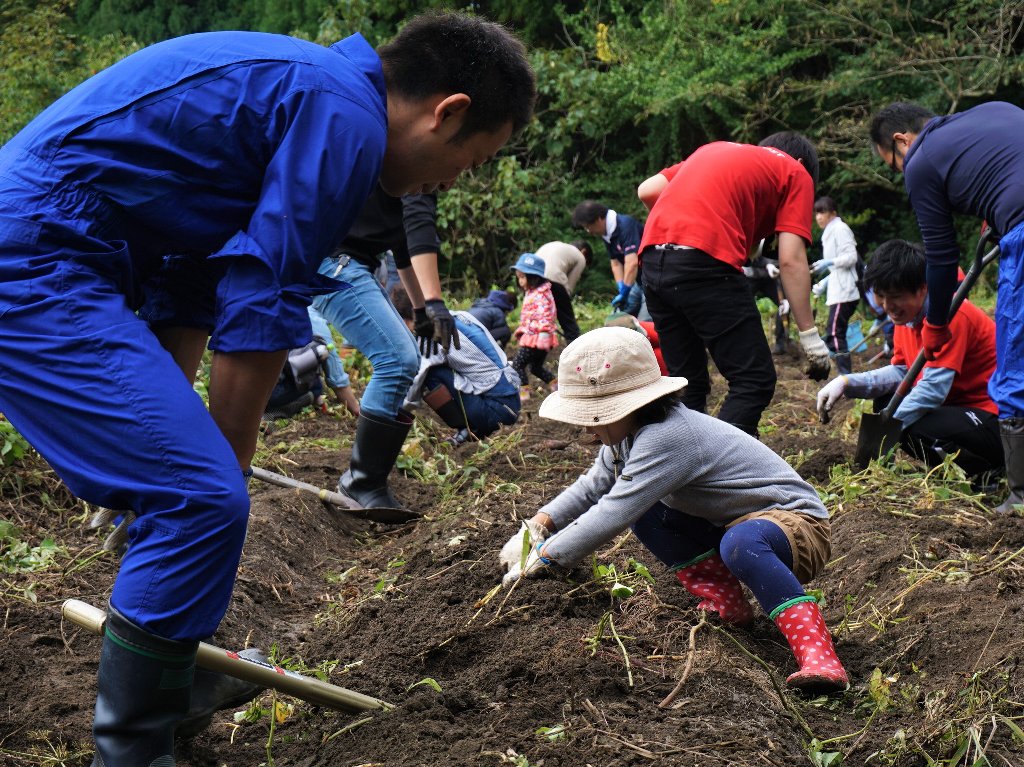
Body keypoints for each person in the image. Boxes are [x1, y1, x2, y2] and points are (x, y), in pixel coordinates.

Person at [0, 12, 535, 765]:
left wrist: (191, 442)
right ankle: (133, 748)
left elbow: (190, 280)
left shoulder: (309, 89)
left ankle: (172, 681)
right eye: (469, 162)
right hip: (37, 255)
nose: (448, 184)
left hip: (58, 250)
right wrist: (224, 466)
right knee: (203, 496)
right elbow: (262, 291)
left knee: (197, 488)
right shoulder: (344, 115)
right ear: (447, 111)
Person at [500, 327, 849, 694]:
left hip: (796, 526)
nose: (588, 426)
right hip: (734, 525)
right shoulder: (626, 436)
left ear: (632, 405)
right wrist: (538, 525)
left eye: (596, 415)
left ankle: (819, 655)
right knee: (651, 515)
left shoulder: (668, 436)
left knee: (738, 542)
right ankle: (727, 604)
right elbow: (593, 486)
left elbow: (612, 510)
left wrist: (546, 557)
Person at [868, 101, 1024, 513]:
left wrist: (936, 322)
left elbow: (940, 255)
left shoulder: (920, 161)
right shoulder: (995, 110)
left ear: (902, 140)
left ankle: (1020, 494)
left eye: (893, 163)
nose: (902, 172)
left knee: (1014, 368)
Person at [636, 132, 832, 437]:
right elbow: (791, 260)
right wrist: (810, 338)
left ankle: (681, 469)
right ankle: (723, 471)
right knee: (753, 380)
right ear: (802, 163)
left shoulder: (715, 150)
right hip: (705, 263)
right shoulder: (796, 172)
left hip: (653, 261)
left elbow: (647, 190)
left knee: (688, 383)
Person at [816, 240, 1003, 483]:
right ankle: (947, 470)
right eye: (881, 296)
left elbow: (933, 389)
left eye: (895, 297)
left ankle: (988, 472)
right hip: (956, 407)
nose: (887, 307)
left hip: (993, 418)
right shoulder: (905, 319)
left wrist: (885, 429)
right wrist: (845, 382)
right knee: (885, 400)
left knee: (912, 424)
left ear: (923, 288)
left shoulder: (952, 314)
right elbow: (903, 372)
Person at [312, 187, 450, 514]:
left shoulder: (403, 174)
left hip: (346, 263)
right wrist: (434, 301)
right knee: (398, 360)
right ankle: (362, 482)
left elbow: (403, 252)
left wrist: (420, 312)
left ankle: (367, 481)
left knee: (402, 359)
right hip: (337, 263)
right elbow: (418, 230)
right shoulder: (423, 171)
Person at [391, 287, 521, 445]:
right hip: (512, 402)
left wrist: (392, 414)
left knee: (430, 373)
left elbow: (413, 386)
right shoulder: (460, 316)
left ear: (406, 319)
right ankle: (475, 425)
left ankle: (470, 427)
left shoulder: (429, 338)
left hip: (497, 412)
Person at [812, 197, 862, 375]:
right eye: (817, 212)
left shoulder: (840, 229)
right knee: (833, 332)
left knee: (835, 332)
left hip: (845, 291)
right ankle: (842, 373)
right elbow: (836, 268)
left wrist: (829, 262)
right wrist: (825, 282)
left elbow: (851, 257)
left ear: (833, 213)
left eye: (822, 212)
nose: (819, 217)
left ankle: (845, 376)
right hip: (838, 289)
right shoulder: (829, 232)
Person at [572, 200, 646, 316]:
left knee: (645, 323)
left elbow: (632, 263)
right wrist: (621, 286)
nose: (588, 231)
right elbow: (615, 263)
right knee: (617, 317)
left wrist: (626, 289)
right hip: (638, 282)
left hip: (652, 283)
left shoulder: (626, 226)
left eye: (588, 226)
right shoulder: (607, 234)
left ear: (599, 219)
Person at [509, 252, 558, 398]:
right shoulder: (533, 292)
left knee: (518, 364)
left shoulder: (541, 294)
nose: (520, 282)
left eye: (523, 277)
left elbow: (545, 314)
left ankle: (524, 395)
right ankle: (556, 386)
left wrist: (543, 333)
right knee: (535, 368)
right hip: (535, 336)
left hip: (537, 338)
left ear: (534, 277)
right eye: (519, 278)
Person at [535, 240, 586, 343]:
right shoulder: (581, 257)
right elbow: (568, 287)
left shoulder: (556, 245)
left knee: (537, 318)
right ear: (584, 252)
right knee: (568, 321)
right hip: (553, 277)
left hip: (532, 277)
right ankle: (574, 345)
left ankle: (532, 348)